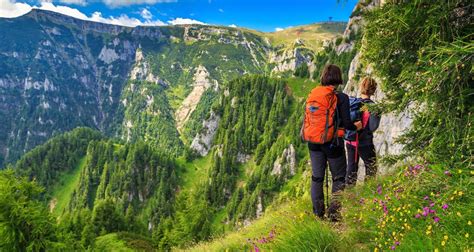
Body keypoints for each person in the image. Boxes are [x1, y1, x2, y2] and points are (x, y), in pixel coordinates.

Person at [301, 64, 362, 221]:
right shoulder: (340, 97)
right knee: (339, 177)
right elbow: (347, 123)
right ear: (338, 78)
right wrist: (356, 126)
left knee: (317, 178)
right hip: (333, 144)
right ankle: (334, 215)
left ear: (324, 77)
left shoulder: (313, 93)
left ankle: (318, 214)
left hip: (314, 142)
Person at [346, 77, 381, 186]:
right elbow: (372, 127)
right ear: (373, 90)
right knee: (371, 167)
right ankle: (368, 192)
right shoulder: (373, 107)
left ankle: (347, 196)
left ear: (361, 87)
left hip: (350, 141)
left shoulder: (352, 103)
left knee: (351, 169)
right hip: (365, 143)